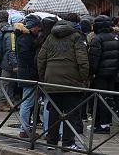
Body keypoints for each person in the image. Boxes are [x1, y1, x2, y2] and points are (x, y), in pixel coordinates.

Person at [37, 16, 89, 151]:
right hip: (71, 81)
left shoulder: (50, 37)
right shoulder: (76, 37)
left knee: (54, 112)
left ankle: (51, 142)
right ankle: (68, 143)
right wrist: (83, 78)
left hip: (52, 79)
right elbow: (82, 60)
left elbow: (41, 59)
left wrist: (44, 77)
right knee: (70, 114)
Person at [88, 15, 119, 133]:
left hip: (100, 75)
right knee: (107, 99)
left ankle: (102, 125)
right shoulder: (116, 38)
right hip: (113, 74)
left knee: (100, 100)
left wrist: (92, 73)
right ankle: (103, 124)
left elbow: (94, 59)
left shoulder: (97, 39)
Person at [15, 14, 41, 139]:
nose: (39, 29)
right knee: (27, 102)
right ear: (32, 27)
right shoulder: (26, 38)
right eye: (37, 27)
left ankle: (25, 127)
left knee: (28, 101)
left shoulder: (25, 37)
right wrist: (35, 63)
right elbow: (26, 55)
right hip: (28, 74)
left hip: (27, 73)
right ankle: (24, 128)